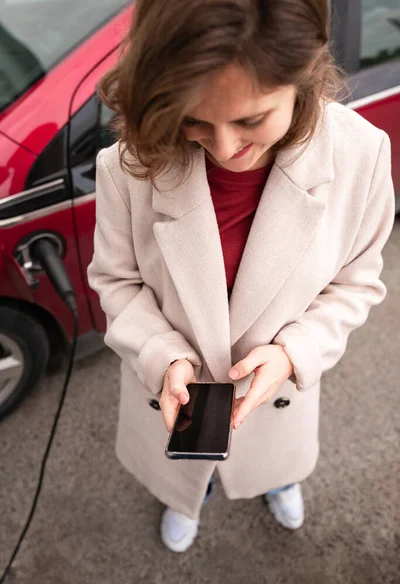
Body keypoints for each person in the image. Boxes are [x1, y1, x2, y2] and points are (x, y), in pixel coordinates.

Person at [87, 0, 395, 553]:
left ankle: (278, 480)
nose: (226, 149)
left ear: (304, 72)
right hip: (172, 395)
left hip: (280, 398)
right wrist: (162, 354)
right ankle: (190, 498)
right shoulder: (127, 166)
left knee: (273, 458)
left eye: (251, 119)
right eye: (194, 119)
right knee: (188, 472)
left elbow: (357, 282)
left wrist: (295, 351)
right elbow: (116, 282)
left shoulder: (361, 155)